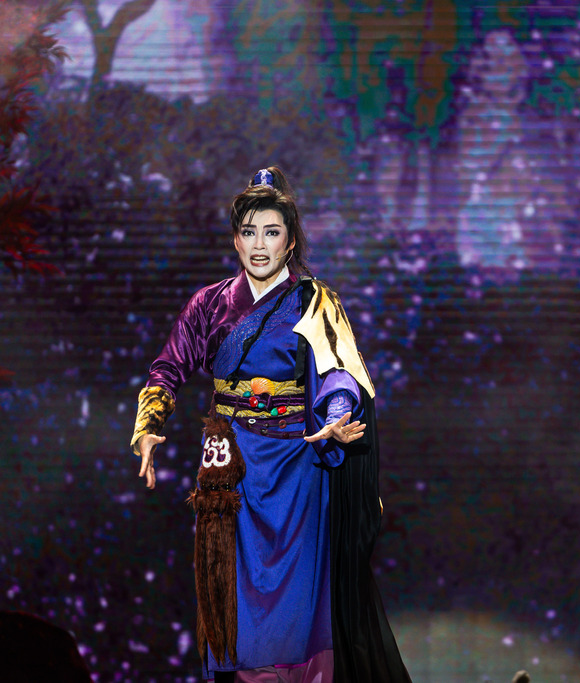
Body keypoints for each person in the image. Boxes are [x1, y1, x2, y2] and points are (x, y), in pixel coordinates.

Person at [130, 167, 412, 683]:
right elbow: (168, 367)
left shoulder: (314, 301)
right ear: (235, 239)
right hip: (230, 467)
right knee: (236, 605)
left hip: (297, 468)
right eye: (249, 232)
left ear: (291, 240)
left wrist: (335, 418)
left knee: (301, 609)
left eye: (272, 232)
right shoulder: (208, 304)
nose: (259, 245)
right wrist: (149, 425)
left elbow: (339, 371)